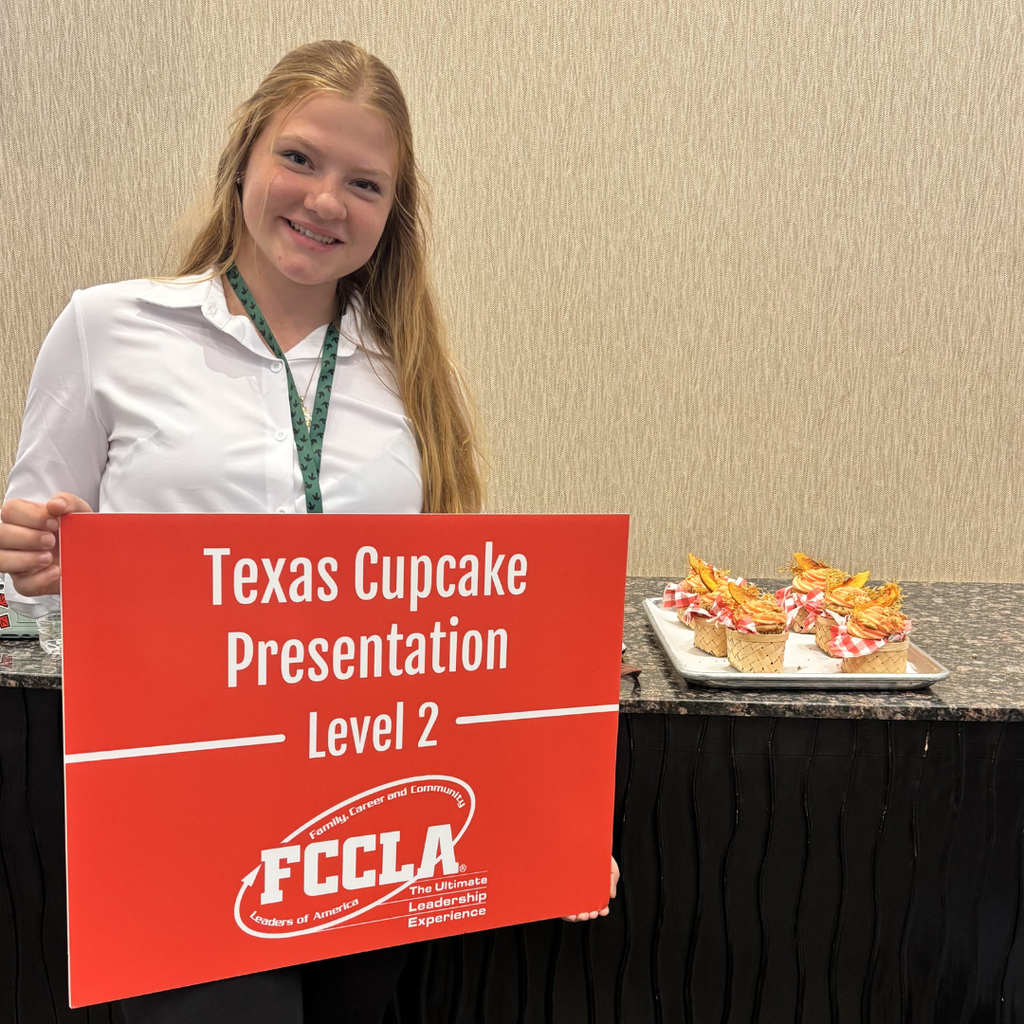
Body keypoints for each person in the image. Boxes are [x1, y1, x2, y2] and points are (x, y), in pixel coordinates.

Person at [0, 39, 617, 1024]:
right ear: (243, 157)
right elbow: (33, 587)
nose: (326, 200)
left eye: (364, 183)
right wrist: (33, 558)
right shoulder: (106, 328)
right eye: (300, 159)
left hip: (360, 823)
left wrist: (548, 827)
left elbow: (447, 630)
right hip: (178, 817)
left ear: (390, 214)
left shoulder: (405, 371)